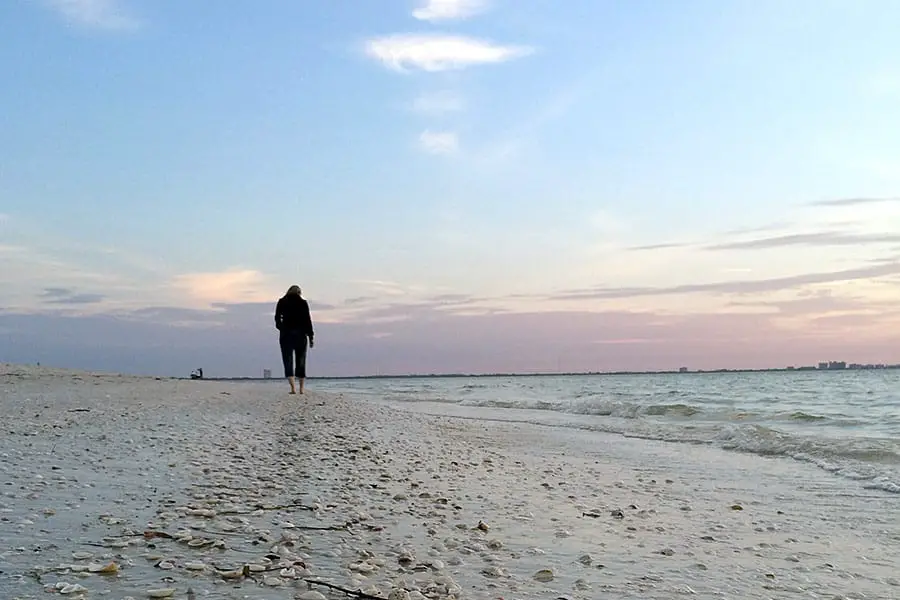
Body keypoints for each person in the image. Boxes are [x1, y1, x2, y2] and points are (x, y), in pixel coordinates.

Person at [274, 285, 315, 394]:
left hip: (286, 335)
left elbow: (277, 318)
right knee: (301, 360)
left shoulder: (282, 302)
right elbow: (308, 320)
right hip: (301, 335)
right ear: (299, 293)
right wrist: (311, 336)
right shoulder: (303, 303)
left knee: (287, 360)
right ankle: (301, 389)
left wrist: (281, 328)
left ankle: (293, 388)